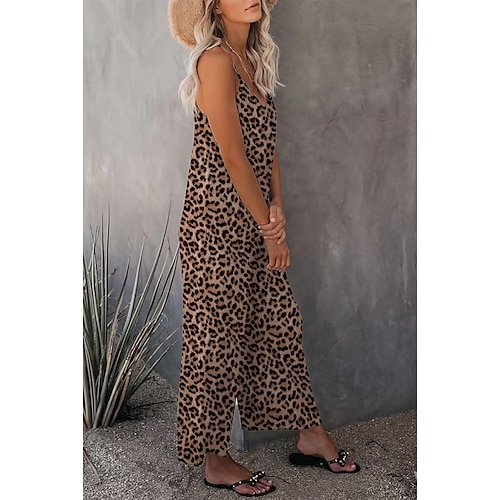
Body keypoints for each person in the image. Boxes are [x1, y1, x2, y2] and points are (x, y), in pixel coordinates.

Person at [168, 0, 360, 496]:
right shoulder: (214, 61)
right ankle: (214, 459)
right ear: (214, 4)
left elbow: (265, 146)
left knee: (280, 324)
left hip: (254, 217)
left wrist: (278, 210)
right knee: (216, 341)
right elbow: (232, 154)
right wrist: (269, 230)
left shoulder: (252, 60)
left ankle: (310, 434)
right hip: (214, 225)